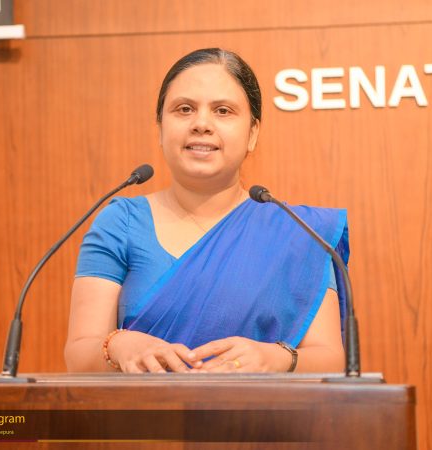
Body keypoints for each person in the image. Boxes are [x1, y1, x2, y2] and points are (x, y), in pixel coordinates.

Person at [64, 48, 349, 374]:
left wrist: (275, 358)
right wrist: (118, 346)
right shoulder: (120, 223)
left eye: (223, 111)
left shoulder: (298, 231)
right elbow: (78, 354)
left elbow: (331, 360)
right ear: (160, 128)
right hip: (143, 409)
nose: (201, 124)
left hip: (263, 409)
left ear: (252, 133)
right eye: (184, 109)